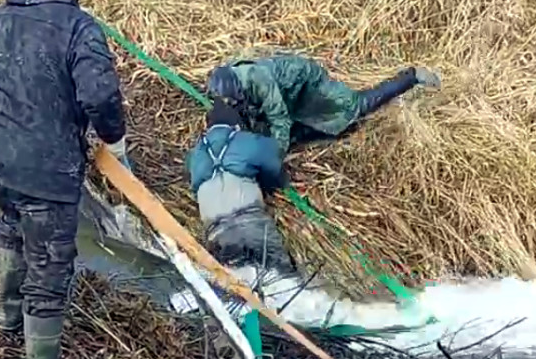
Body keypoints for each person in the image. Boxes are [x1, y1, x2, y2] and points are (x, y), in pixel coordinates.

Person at [0, 0, 132, 359]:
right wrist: (112, 137)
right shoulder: (80, 26)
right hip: (46, 168)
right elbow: (100, 97)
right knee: (50, 261)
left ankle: (6, 319)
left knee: (12, 225)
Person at [204, 53, 442, 156]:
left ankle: (411, 77)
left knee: (354, 108)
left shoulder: (259, 80)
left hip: (307, 83)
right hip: (288, 93)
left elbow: (279, 119)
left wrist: (274, 156)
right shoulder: (225, 83)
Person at [185, 99, 296, 273]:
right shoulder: (244, 140)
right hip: (251, 224)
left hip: (217, 233)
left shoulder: (195, 155)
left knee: (242, 284)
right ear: (236, 126)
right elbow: (274, 164)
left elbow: (193, 185)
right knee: (281, 277)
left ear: (208, 127)